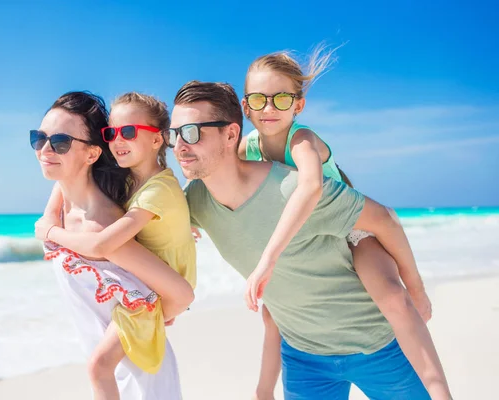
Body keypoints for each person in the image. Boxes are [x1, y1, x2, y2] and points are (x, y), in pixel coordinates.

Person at [164, 80, 452, 399]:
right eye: (174, 135)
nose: (180, 146)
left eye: (192, 132)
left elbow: (384, 218)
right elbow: (152, 229)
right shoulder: (196, 203)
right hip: (304, 360)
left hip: (379, 346)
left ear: (231, 134)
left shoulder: (293, 189)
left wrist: (416, 289)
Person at [238, 46, 432, 399]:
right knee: (273, 315)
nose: (268, 108)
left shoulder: (302, 139)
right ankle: (263, 392)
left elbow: (310, 186)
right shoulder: (247, 146)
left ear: (298, 105)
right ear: (245, 105)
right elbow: (215, 175)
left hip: (352, 231)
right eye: (259, 99)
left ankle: (419, 294)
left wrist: (268, 259)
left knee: (390, 295)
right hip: (310, 241)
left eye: (281, 99)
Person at [32, 91, 193, 400]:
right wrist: (50, 220)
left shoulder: (102, 227)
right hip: (117, 369)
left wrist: (161, 312)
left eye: (61, 142)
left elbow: (181, 293)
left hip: (139, 378)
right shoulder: (66, 208)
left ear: (92, 154)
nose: (45, 150)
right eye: (39, 139)